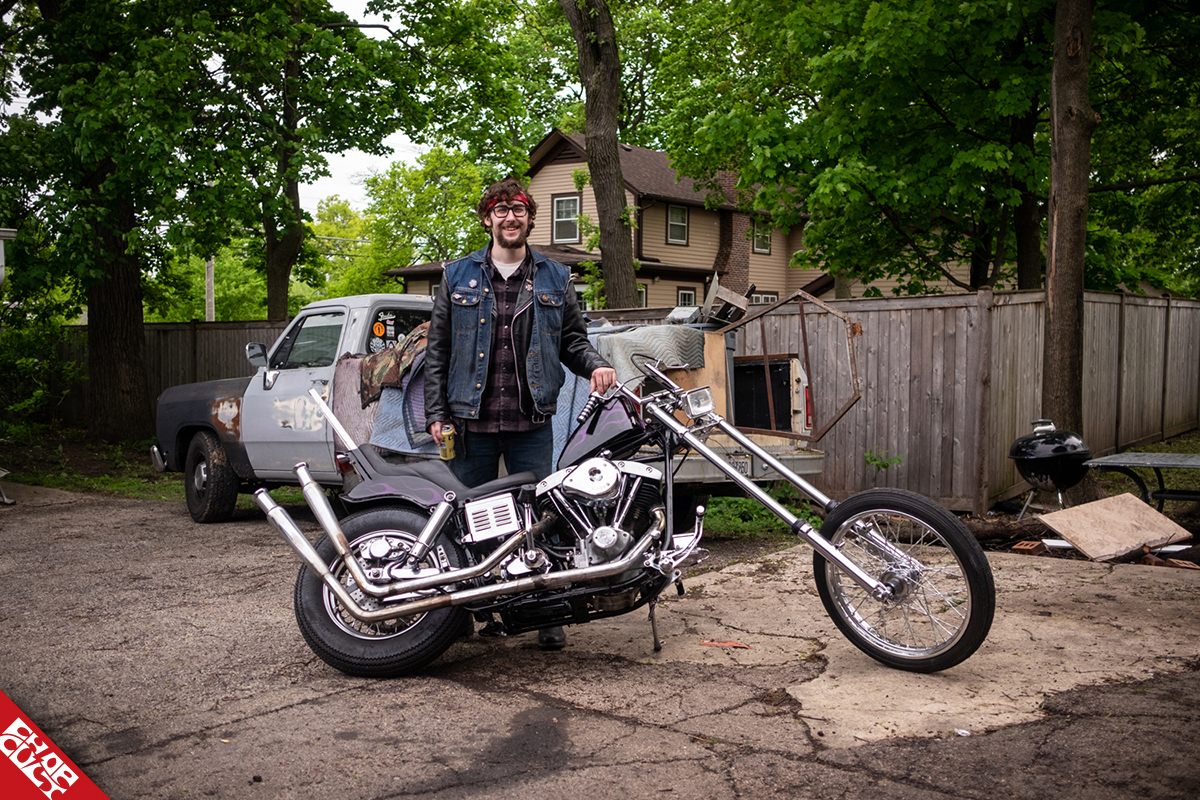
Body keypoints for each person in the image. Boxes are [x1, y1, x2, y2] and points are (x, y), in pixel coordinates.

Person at [424, 177, 617, 650]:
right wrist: (437, 413)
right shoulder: (456, 276)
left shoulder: (556, 277)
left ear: (530, 219)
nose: (510, 218)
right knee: (466, 520)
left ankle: (545, 613)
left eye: (519, 210)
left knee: (540, 517)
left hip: (531, 420)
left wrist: (596, 364)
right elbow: (438, 351)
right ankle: (464, 613)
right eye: (501, 210)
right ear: (487, 219)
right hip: (469, 421)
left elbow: (572, 341)